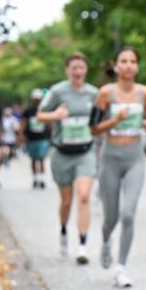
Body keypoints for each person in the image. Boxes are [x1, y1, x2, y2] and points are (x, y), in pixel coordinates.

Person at [90, 46, 146, 287]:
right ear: (116, 66)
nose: (128, 65)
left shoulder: (145, 93)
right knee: (111, 216)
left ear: (137, 66)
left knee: (128, 213)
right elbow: (93, 128)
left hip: (135, 157)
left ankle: (121, 266)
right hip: (110, 158)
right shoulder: (105, 93)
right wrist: (115, 120)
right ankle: (106, 239)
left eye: (132, 61)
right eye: (123, 61)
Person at [36, 52, 99, 264]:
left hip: (85, 152)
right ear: (67, 70)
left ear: (86, 70)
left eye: (81, 67)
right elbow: (40, 115)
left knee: (83, 196)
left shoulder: (93, 93)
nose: (78, 72)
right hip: (62, 153)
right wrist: (55, 116)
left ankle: (82, 245)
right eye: (74, 68)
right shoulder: (57, 91)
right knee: (66, 200)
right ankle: (63, 231)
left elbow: (100, 120)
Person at [21, 88, 50, 189]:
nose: (37, 101)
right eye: (35, 99)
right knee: (34, 159)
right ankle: (35, 178)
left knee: (41, 158)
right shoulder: (28, 111)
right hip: (31, 138)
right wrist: (21, 136)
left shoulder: (45, 110)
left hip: (43, 138)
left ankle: (41, 179)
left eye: (39, 99)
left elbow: (49, 124)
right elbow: (23, 124)